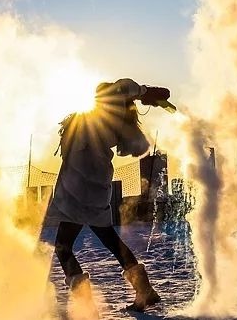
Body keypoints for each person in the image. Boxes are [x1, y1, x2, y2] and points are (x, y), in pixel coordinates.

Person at [49, 78, 168, 313]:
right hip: (94, 191)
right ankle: (144, 290)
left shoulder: (98, 120)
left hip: (79, 192)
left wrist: (145, 92)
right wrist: (144, 95)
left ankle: (86, 306)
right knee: (110, 241)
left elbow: (122, 87)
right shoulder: (106, 124)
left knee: (63, 246)